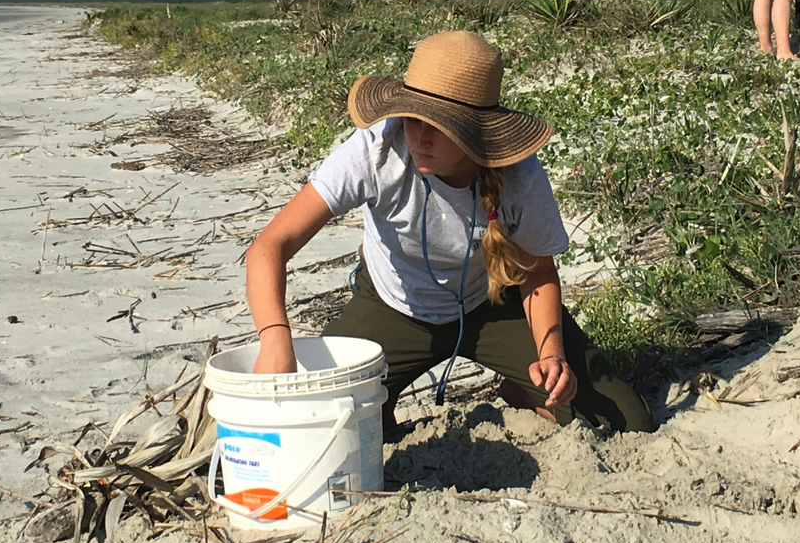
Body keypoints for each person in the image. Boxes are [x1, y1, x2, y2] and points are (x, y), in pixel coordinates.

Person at [244, 30, 656, 435]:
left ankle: (521, 388)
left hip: (490, 304)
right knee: (322, 421)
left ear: (477, 131)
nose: (420, 137)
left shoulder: (519, 175)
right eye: (411, 119)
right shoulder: (376, 149)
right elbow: (270, 245)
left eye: (438, 126)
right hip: (393, 306)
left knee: (624, 421)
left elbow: (538, 272)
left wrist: (552, 355)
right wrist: (275, 337)